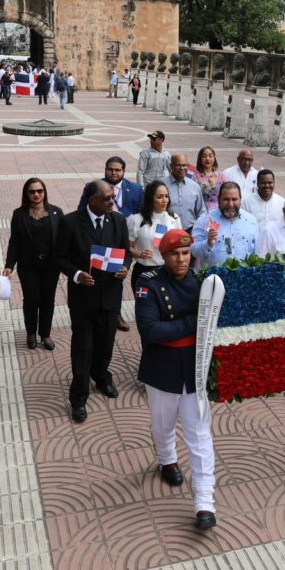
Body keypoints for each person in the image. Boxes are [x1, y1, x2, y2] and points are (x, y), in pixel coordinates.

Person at [134, 228, 217, 530]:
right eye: (174, 254)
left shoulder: (201, 283)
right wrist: (193, 323)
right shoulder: (149, 284)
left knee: (200, 436)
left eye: (185, 253)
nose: (181, 259)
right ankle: (167, 458)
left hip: (194, 368)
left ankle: (204, 501)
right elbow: (151, 330)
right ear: (163, 256)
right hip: (162, 369)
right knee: (162, 426)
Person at [55, 180, 130, 421]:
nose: (112, 202)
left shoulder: (118, 220)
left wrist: (125, 268)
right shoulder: (69, 222)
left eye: (113, 198)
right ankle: (78, 398)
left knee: (106, 344)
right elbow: (60, 258)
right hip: (83, 300)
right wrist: (76, 275)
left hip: (109, 297)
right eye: (107, 199)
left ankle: (101, 377)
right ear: (93, 201)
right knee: (83, 349)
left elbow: (125, 252)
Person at [3, 178, 63, 350]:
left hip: (51, 266)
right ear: (26, 194)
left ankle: (45, 334)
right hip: (28, 266)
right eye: (32, 191)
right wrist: (9, 265)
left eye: (39, 191)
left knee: (47, 300)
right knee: (31, 300)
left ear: (44, 192)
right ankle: (31, 333)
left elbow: (65, 238)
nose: (36, 194)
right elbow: (14, 241)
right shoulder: (19, 214)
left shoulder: (56, 212)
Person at [127, 180, 181, 290]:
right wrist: (139, 253)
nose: (164, 200)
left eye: (166, 196)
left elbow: (180, 246)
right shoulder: (136, 220)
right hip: (144, 271)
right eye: (160, 197)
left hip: (167, 271)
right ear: (150, 199)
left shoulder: (174, 218)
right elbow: (126, 247)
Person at [190, 182, 258, 267]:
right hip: (214, 278)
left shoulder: (251, 221)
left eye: (234, 199)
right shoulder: (205, 220)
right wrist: (208, 244)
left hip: (243, 277)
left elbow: (256, 252)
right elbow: (193, 251)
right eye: (226, 199)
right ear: (218, 199)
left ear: (240, 199)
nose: (230, 204)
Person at [78, 156, 143, 217]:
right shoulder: (92, 187)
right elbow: (81, 211)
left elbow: (142, 213)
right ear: (105, 170)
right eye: (110, 169)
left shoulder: (136, 189)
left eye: (117, 170)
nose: (114, 173)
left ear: (123, 171)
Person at [164, 154, 205, 232]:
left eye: (184, 165)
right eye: (178, 165)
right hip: (167, 230)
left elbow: (201, 211)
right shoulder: (161, 185)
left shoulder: (195, 186)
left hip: (190, 230)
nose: (182, 168)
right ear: (171, 166)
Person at [242, 169, 284, 235]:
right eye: (263, 183)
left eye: (270, 182)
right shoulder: (246, 202)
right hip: (254, 242)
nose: (267, 185)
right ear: (257, 184)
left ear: (274, 183)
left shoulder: (282, 202)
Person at [194, 146, 224, 211]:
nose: (207, 159)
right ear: (200, 159)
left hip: (217, 210)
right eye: (204, 156)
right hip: (200, 210)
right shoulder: (195, 175)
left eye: (210, 156)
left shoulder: (220, 175)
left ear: (214, 158)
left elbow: (226, 193)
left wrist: (214, 186)